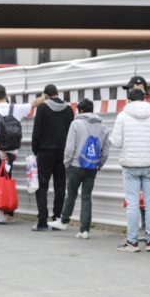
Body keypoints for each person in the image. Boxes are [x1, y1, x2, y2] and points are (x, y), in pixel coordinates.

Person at [111, 88, 150, 252]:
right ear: (144, 99)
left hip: (130, 165)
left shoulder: (122, 116)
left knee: (133, 204)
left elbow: (115, 142)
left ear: (128, 100)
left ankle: (132, 242)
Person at [0, 85, 45, 224]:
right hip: (9, 156)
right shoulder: (16, 109)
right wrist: (46, 96)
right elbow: (34, 103)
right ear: (6, 94)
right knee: (4, 179)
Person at [47, 99, 110, 238]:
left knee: (71, 194)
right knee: (86, 197)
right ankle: (84, 230)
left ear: (80, 111)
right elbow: (105, 151)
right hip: (92, 167)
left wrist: (67, 163)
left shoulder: (76, 123)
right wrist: (99, 165)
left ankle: (64, 221)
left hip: (75, 166)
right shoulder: (103, 127)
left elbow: (69, 147)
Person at [31, 84, 74, 231]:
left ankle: (42, 221)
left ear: (46, 95)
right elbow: (71, 132)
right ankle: (57, 219)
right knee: (60, 186)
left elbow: (36, 131)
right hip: (62, 152)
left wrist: (36, 150)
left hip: (45, 152)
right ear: (56, 93)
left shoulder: (42, 108)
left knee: (42, 185)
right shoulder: (69, 109)